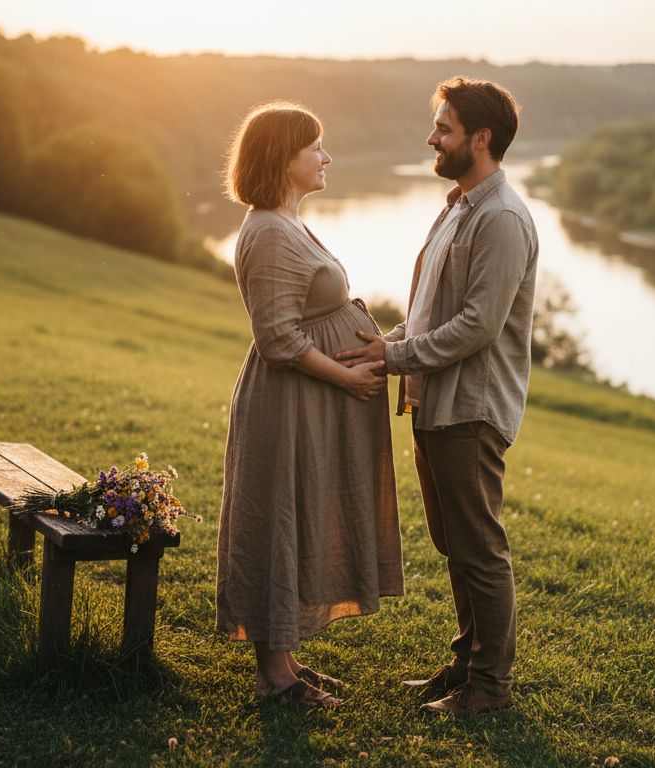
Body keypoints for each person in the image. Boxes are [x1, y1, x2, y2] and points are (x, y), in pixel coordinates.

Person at [336, 77, 538, 716]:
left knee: (479, 548)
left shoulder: (502, 219)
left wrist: (392, 357)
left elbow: (476, 327)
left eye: (445, 128)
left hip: (470, 410)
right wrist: (382, 341)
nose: (432, 137)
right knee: (455, 543)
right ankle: (466, 665)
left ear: (481, 139)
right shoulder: (458, 206)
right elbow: (429, 314)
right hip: (434, 405)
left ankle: (490, 689)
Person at [216, 101, 405, 710]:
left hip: (307, 402)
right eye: (315, 147)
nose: (327, 157)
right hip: (288, 402)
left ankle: (286, 659)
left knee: (296, 514)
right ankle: (273, 678)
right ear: (283, 157)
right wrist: (347, 380)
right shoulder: (268, 231)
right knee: (278, 516)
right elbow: (277, 337)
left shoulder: (287, 221)